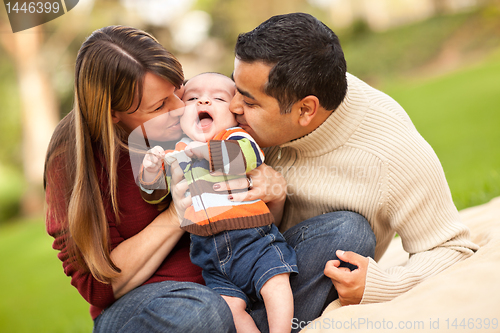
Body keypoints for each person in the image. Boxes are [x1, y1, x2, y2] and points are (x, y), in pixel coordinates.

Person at [223, 12, 478, 332]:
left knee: (348, 231)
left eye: (249, 102)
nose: (232, 107)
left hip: (297, 270)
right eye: (234, 88)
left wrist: (385, 282)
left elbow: (451, 247)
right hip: (222, 256)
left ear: (305, 110)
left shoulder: (391, 152)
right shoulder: (238, 111)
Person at [43, 26, 237, 332]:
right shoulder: (72, 158)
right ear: (113, 114)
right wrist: (177, 215)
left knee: (335, 232)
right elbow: (99, 286)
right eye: (159, 106)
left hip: (233, 281)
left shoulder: (199, 114)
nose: (180, 107)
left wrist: (267, 183)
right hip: (151, 306)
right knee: (202, 312)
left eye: (178, 88)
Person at [138, 72, 298, 333]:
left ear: (235, 112)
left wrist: (200, 153)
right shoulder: (176, 150)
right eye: (192, 98)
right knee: (228, 308)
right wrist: (151, 171)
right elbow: (156, 195)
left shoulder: (236, 137)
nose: (203, 102)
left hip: (254, 242)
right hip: (209, 257)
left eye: (218, 98)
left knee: (275, 284)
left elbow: (249, 157)